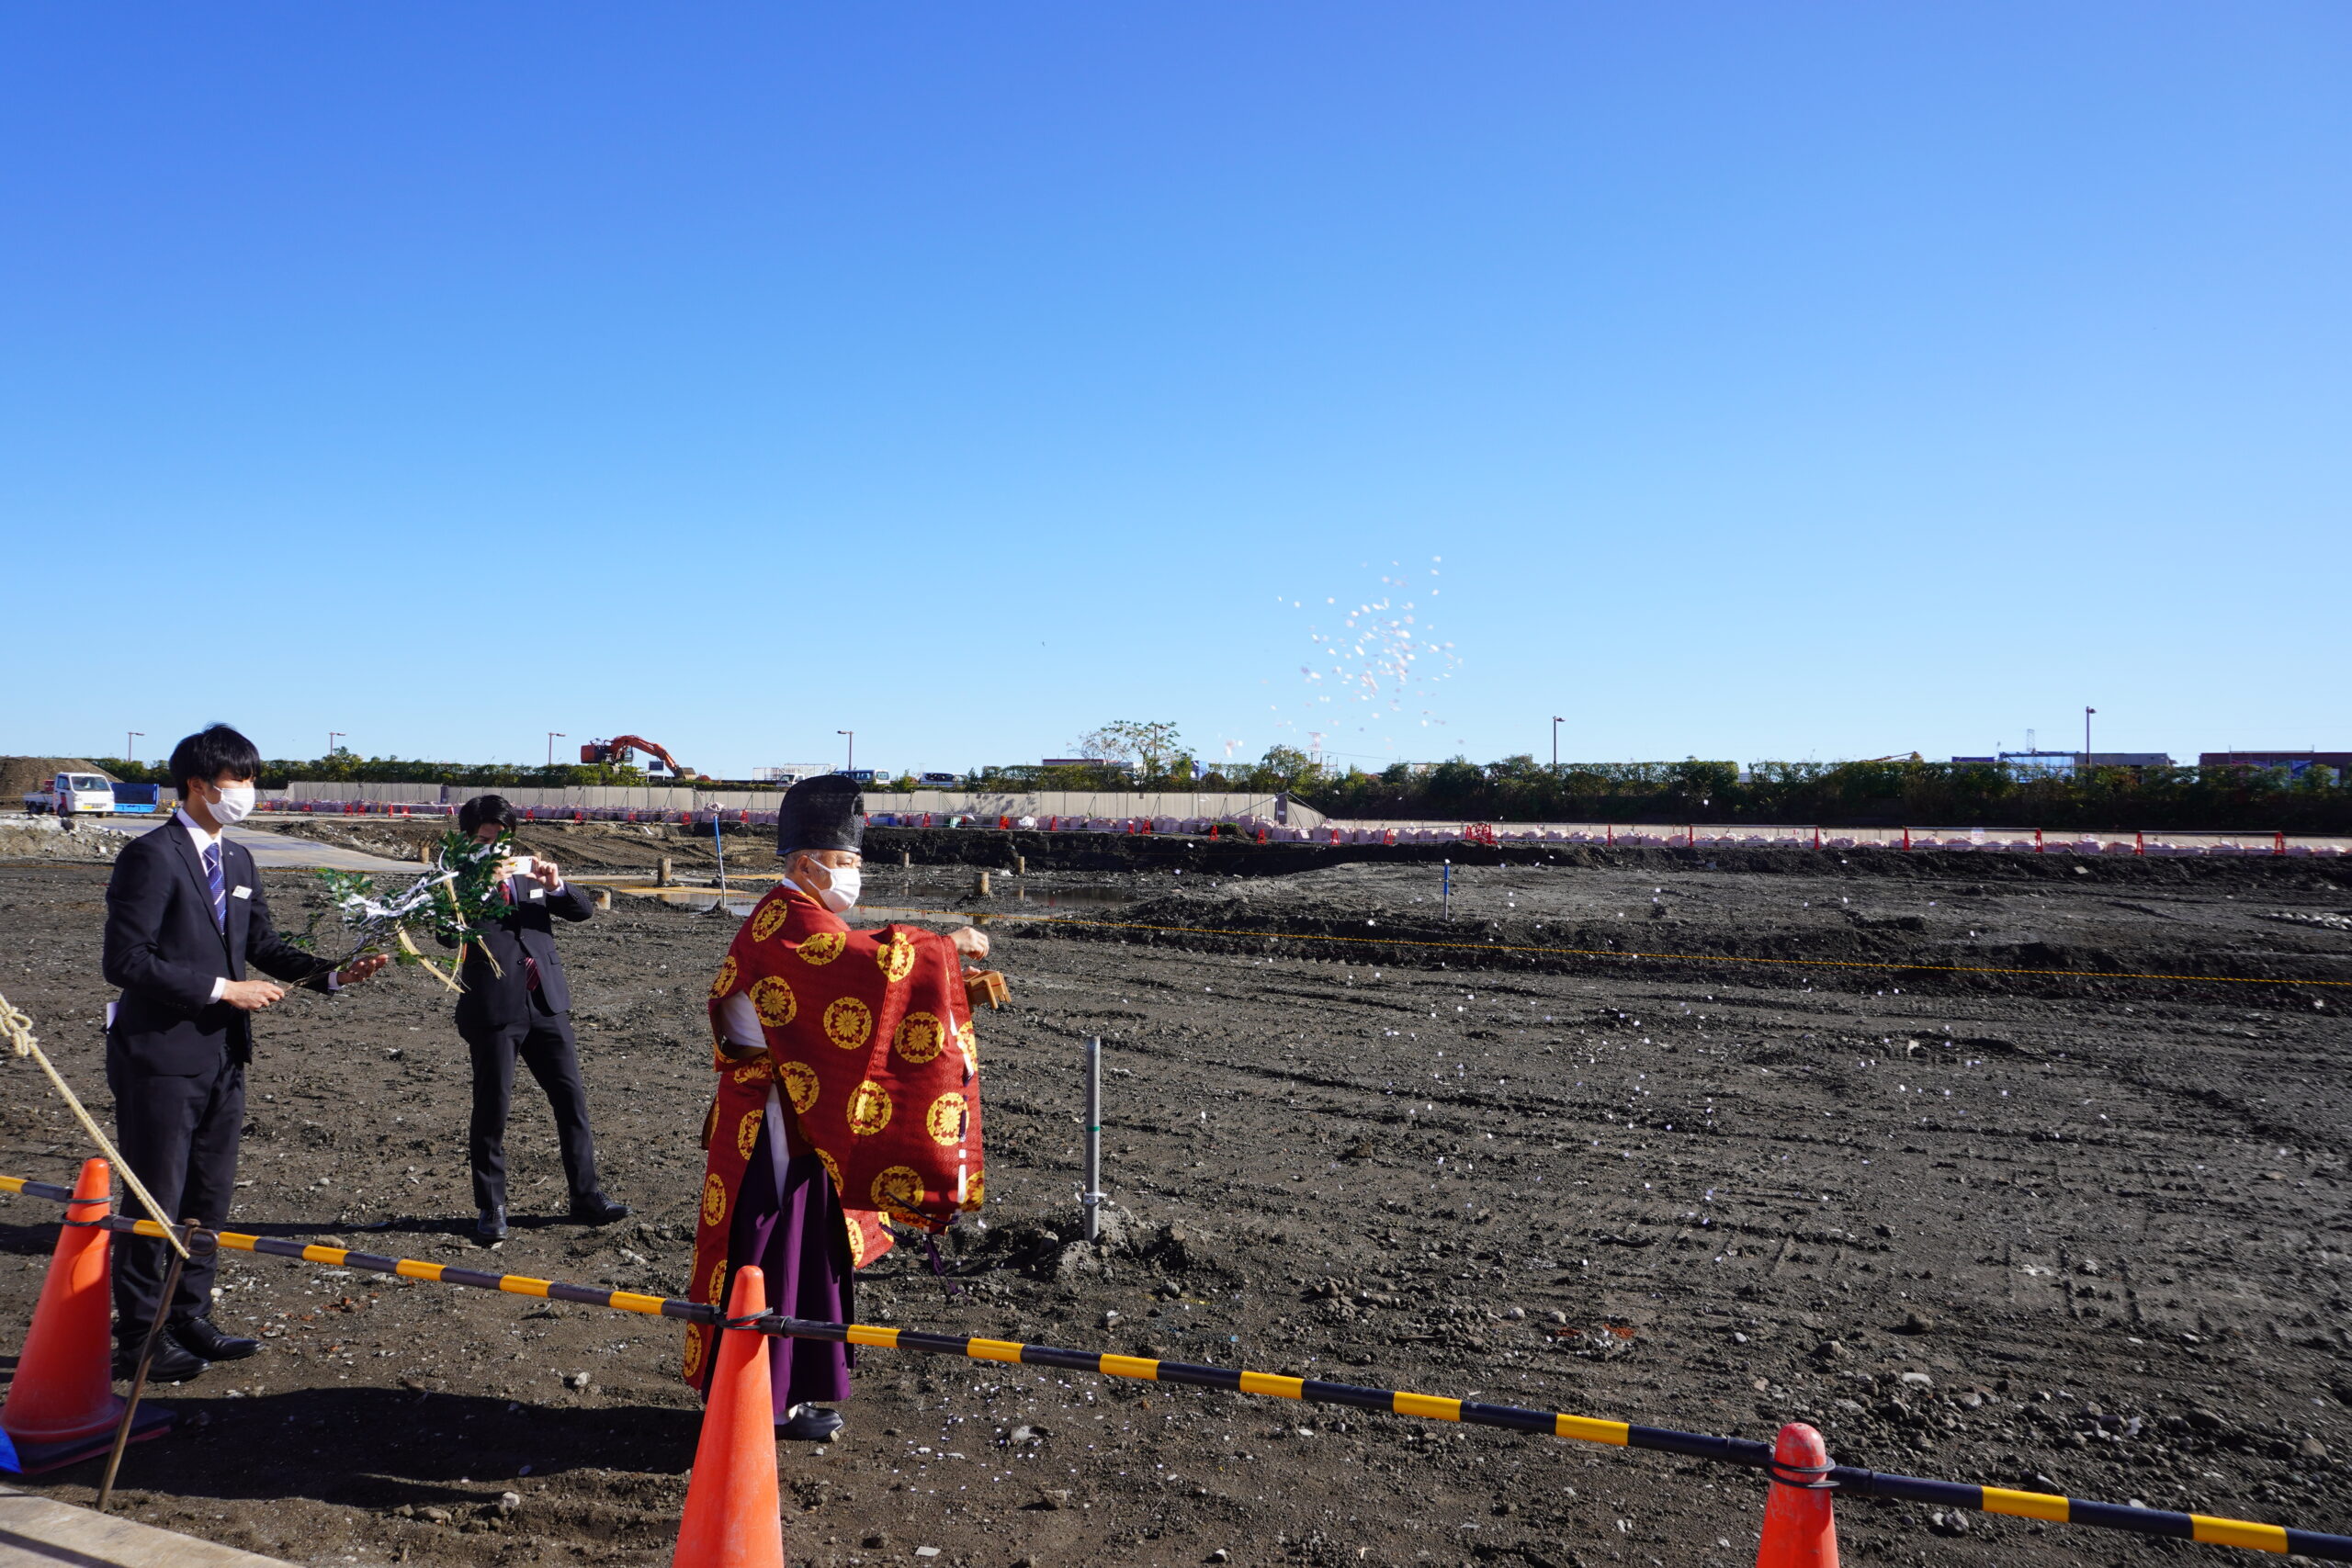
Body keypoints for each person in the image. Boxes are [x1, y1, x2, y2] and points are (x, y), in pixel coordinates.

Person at [689, 773, 989, 1442]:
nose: (854, 875)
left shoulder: (800, 914)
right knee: (769, 1253)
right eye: (848, 862)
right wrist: (941, 947)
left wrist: (940, 973)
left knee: (801, 1252)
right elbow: (857, 964)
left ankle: (786, 1394)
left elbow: (858, 968)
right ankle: (755, 1403)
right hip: (770, 1124)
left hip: (795, 1116)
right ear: (806, 863)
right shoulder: (788, 919)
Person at [101, 724, 390, 1382]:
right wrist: (221, 989)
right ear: (199, 785)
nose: (249, 793)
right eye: (241, 781)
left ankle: (188, 1314)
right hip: (159, 1054)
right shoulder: (151, 856)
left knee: (210, 1192)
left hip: (225, 1054)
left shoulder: (236, 859)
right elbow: (125, 959)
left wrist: (334, 975)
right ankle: (139, 1333)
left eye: (253, 780)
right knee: (156, 1196)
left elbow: (261, 941)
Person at [441, 795, 628, 1244]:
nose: (498, 846)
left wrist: (558, 884)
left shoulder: (530, 874)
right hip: (493, 1007)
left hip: (545, 1001)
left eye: (503, 837)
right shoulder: (455, 879)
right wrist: (481, 884)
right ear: (468, 840)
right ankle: (491, 1207)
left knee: (571, 1102)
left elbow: (582, 912)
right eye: (487, 838)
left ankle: (586, 1196)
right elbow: (446, 935)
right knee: (493, 1109)